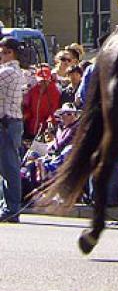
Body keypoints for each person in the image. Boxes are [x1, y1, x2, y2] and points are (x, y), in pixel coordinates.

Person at [0, 36, 28, 223]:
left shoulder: (9, 71)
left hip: (7, 124)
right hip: (8, 123)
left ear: (10, 52)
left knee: (9, 167)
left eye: (3, 51)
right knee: (5, 167)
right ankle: (7, 206)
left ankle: (12, 208)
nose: (0, 55)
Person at [22, 64, 61, 140]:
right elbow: (28, 107)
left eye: (45, 80)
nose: (43, 82)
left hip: (45, 129)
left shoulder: (54, 92)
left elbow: (54, 111)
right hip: (31, 126)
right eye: (41, 80)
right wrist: (26, 115)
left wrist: (50, 122)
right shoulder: (33, 91)